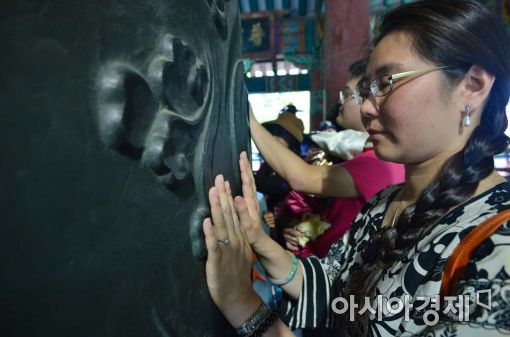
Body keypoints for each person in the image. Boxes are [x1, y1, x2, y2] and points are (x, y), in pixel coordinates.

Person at [202, 1, 510, 336]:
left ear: (473, 85)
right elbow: (337, 291)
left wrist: (242, 303)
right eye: (366, 90)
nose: (364, 108)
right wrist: (257, 238)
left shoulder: (498, 248)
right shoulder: (383, 205)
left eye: (386, 83)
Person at [276, 58, 405, 258]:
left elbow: (301, 178)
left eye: (347, 94)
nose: (340, 102)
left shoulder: (378, 162)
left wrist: (250, 122)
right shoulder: (356, 151)